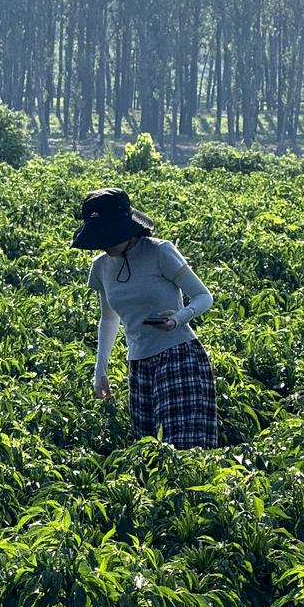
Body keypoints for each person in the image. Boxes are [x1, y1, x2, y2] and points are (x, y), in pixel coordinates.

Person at [71, 187, 218, 449]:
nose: (106, 243)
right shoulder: (101, 266)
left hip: (179, 356)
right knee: (150, 453)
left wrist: (178, 318)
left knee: (182, 450)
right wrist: (100, 370)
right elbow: (109, 318)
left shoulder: (160, 251)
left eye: (110, 236)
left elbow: (203, 296)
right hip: (138, 365)